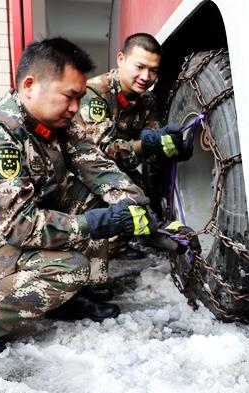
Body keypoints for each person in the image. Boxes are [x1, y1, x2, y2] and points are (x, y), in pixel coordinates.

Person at [0, 37, 199, 357]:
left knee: (100, 196)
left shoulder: (59, 125)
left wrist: (139, 211)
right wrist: (98, 223)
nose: (75, 108)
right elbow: (19, 227)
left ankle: (73, 295)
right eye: (68, 96)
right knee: (68, 268)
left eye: (79, 97)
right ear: (30, 85)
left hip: (11, 227)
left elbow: (97, 167)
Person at [69, 33, 192, 262]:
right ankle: (90, 258)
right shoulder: (96, 94)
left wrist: (175, 149)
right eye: (140, 66)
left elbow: (153, 149)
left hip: (115, 170)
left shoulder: (146, 100)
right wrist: (148, 144)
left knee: (139, 181)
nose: (146, 76)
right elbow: (98, 156)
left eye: (153, 70)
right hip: (83, 174)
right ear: (121, 59)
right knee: (108, 186)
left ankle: (121, 243)